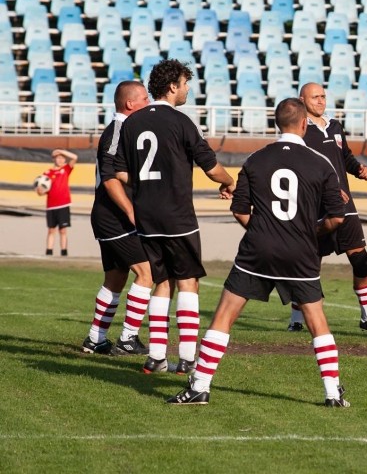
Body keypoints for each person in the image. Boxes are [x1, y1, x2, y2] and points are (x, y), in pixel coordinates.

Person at [168, 98, 350, 407]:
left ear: (277, 124)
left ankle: (199, 386)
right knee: (316, 319)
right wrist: (308, 233)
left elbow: (239, 210)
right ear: (305, 123)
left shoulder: (255, 159)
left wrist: (262, 230)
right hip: (301, 251)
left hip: (258, 249)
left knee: (224, 314)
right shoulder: (321, 163)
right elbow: (336, 218)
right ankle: (332, 392)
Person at [114, 59, 235, 375]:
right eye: (185, 83)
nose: (188, 89)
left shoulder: (131, 123)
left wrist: (145, 186)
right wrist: (229, 181)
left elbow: (120, 170)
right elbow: (211, 168)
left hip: (146, 217)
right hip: (177, 216)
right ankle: (186, 357)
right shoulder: (183, 122)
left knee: (160, 281)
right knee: (188, 281)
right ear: (172, 86)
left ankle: (156, 356)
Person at [285, 82, 367, 334]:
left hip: (345, 206)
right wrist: (326, 189)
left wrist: (358, 169)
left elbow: (345, 157)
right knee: (309, 264)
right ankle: (296, 319)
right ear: (302, 100)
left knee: (361, 260)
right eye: (315, 97)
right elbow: (297, 169)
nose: (321, 101)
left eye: (323, 96)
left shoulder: (334, 125)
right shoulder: (298, 131)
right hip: (314, 208)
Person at [82, 81, 155, 356]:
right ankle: (128, 338)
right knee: (146, 273)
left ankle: (95, 339)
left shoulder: (127, 130)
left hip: (108, 216)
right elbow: (109, 176)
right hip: (112, 216)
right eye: (145, 99)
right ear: (130, 104)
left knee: (116, 276)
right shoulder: (118, 129)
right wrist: (130, 210)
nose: (148, 104)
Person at [37, 148, 78, 256]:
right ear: (54, 159)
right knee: (51, 230)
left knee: (63, 230)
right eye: (58, 157)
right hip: (51, 206)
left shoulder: (66, 169)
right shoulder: (47, 173)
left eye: (62, 158)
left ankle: (64, 252)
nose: (60, 160)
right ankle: (49, 252)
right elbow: (42, 191)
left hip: (63, 205)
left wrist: (60, 151)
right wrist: (39, 191)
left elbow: (74, 157)